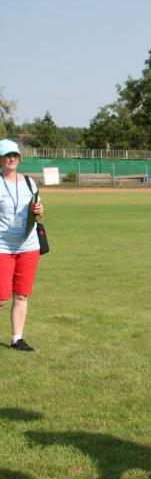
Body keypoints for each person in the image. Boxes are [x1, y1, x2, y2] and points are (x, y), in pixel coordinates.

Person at [0, 139, 44, 351]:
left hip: (28, 245)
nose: (12, 159)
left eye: (15, 155)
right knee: (1, 297)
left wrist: (39, 211)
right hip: (3, 246)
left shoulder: (29, 182)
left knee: (22, 294)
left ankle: (16, 338)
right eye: (7, 155)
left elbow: (37, 208)